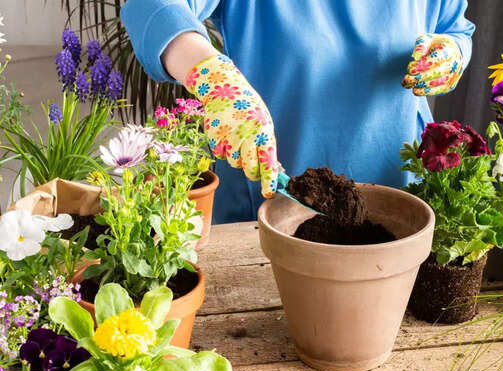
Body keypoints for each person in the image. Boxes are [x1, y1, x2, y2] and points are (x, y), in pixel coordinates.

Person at [121, 1, 475, 223]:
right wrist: (213, 77)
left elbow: (454, 26)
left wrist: (453, 52)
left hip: (397, 180)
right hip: (271, 192)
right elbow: (151, 6)